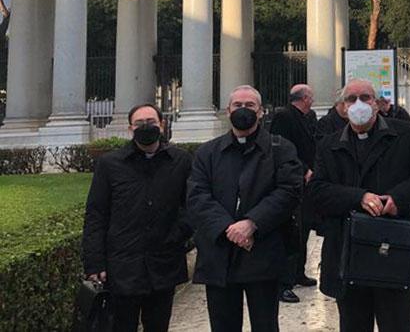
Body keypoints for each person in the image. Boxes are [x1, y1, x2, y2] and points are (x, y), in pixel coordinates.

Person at [309, 79, 410, 332]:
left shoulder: (404, 134)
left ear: (377, 104)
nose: (359, 104)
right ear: (343, 107)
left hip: (392, 248)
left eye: (365, 98)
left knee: (398, 324)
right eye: (351, 99)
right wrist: (358, 197)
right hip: (347, 252)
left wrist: (397, 199)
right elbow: (317, 191)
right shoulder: (329, 144)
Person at [187, 85, 302, 332]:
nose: (243, 109)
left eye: (250, 105)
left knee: (265, 325)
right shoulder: (207, 152)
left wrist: (252, 222)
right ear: (228, 110)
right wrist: (229, 228)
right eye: (237, 105)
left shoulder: (281, 148)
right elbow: (197, 195)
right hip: (220, 252)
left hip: (262, 250)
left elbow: (289, 191)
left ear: (261, 112)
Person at [82, 103, 192, 332]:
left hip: (164, 263)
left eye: (151, 122)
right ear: (130, 128)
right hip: (122, 267)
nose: (145, 127)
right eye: (139, 123)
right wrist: (94, 262)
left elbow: (191, 206)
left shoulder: (180, 161)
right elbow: (96, 214)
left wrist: (178, 234)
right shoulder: (110, 164)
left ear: (162, 125)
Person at [269, 84, 320, 302]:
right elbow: (281, 148)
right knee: (292, 231)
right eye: (311, 97)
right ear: (304, 98)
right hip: (293, 180)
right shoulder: (284, 117)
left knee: (304, 228)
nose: (313, 101)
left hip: (307, 182)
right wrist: (303, 169)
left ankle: (299, 272)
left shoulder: (308, 118)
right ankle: (284, 283)